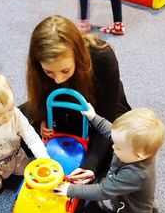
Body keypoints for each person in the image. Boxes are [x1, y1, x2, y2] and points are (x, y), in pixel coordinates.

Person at [21, 14, 131, 182]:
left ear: (77, 55)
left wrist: (90, 164)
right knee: (10, 119)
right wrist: (43, 118)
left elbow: (107, 116)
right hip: (62, 107)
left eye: (65, 70)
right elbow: (43, 97)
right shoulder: (39, 67)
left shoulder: (102, 56)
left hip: (98, 111)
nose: (58, 79)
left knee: (126, 147)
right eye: (49, 72)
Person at [53, 104, 165, 213]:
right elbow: (110, 131)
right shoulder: (131, 148)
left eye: (118, 147)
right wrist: (94, 117)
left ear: (140, 155)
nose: (113, 146)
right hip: (116, 193)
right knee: (88, 211)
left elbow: (103, 191)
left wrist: (69, 190)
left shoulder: (136, 174)